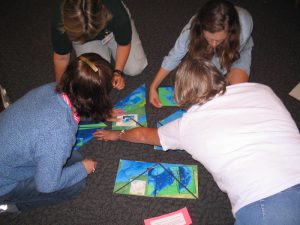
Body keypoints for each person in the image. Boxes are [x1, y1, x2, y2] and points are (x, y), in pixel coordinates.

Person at [94, 57, 300, 225]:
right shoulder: (262, 89)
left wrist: (117, 135)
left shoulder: (188, 125)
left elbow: (142, 135)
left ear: (183, 98)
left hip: (268, 202)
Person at [0, 53, 120, 213]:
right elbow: (47, 185)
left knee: (73, 157)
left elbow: (75, 108)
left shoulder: (52, 88)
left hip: (11, 153)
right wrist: (83, 169)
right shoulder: (59, 133)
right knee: (77, 184)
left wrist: (100, 114)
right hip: (4, 184)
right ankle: (11, 206)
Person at [150, 0, 254, 108]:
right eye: (209, 38)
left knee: (238, 94)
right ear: (201, 29)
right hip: (205, 49)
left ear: (230, 32)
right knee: (201, 90)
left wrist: (211, 83)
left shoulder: (244, 26)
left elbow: (222, 66)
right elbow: (173, 57)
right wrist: (153, 86)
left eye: (219, 40)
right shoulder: (192, 29)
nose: (214, 44)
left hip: (235, 51)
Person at [51, 0, 148, 89]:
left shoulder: (115, 10)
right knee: (96, 76)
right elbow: (61, 58)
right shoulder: (60, 18)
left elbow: (124, 45)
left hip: (110, 27)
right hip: (83, 38)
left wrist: (118, 72)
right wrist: (61, 90)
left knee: (135, 68)